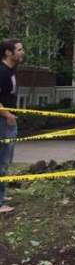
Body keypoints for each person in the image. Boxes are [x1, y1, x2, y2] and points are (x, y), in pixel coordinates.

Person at [0, 38, 25, 214]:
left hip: (8, 120)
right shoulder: (1, 71)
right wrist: (7, 115)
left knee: (6, 160)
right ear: (8, 53)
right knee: (2, 161)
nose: (22, 52)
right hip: (3, 121)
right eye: (19, 50)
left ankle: (1, 195)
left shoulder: (11, 70)